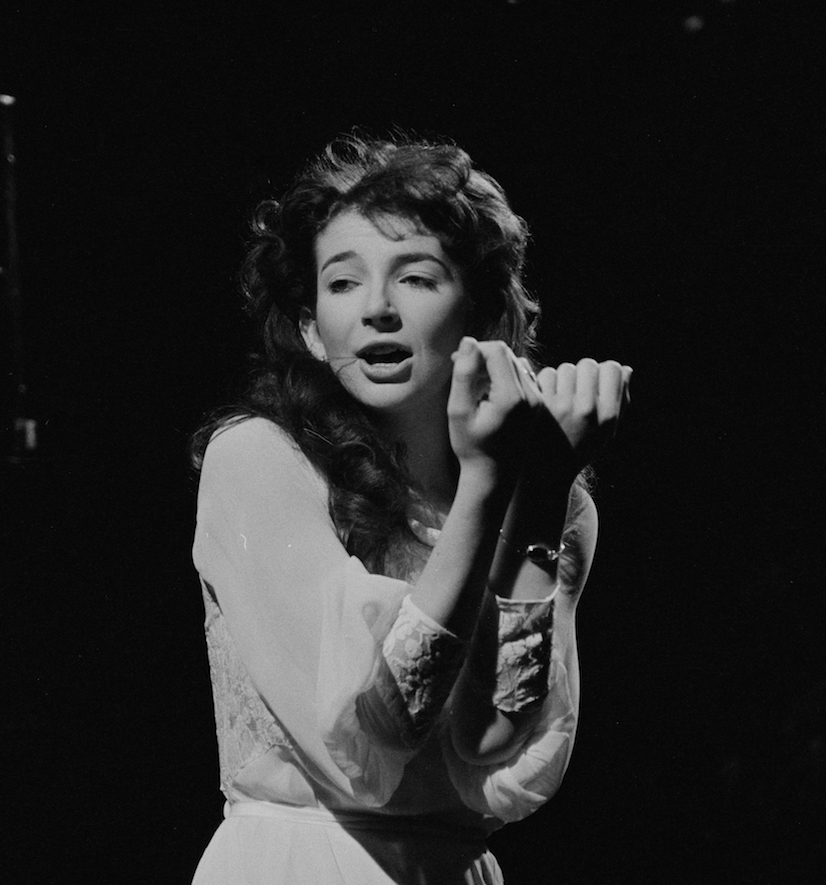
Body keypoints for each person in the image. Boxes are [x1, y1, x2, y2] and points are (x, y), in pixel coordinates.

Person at [189, 132, 631, 884]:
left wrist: (540, 493)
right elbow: (382, 725)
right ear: (307, 324)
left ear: (481, 313)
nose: (378, 310)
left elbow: (493, 740)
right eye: (343, 282)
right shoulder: (260, 460)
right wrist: (490, 486)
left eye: (417, 278)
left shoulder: (553, 500)